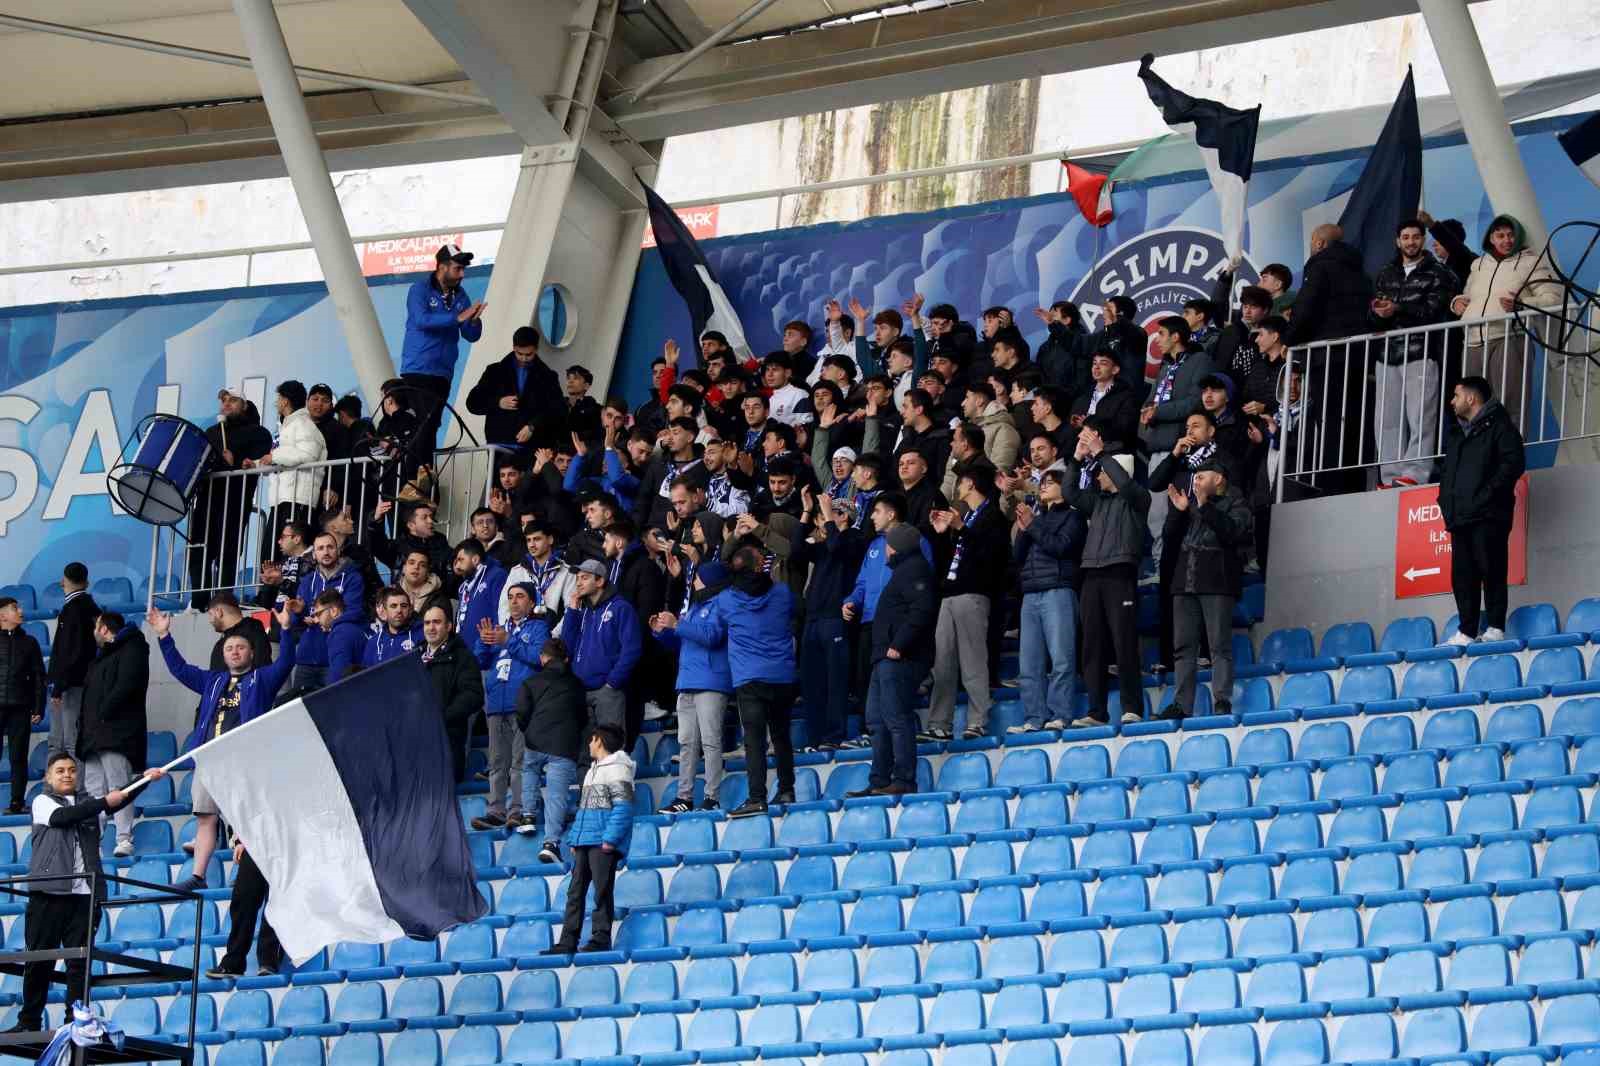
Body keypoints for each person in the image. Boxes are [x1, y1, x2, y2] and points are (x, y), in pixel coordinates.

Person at [7, 754, 161, 1034]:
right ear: (48, 778)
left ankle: (75, 1020)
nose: (67, 775)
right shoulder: (43, 802)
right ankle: (29, 1020)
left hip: (84, 897)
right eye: (60, 771)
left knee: (79, 964)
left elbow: (120, 798)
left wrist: (143, 781)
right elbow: (63, 817)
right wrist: (104, 802)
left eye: (72, 770)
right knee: (40, 960)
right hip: (49, 893)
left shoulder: (89, 805)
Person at [150, 603, 296, 892]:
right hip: (209, 758)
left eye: (241, 648)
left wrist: (288, 630)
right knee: (206, 818)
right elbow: (179, 670)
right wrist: (165, 637)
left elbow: (286, 661)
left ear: (251, 653)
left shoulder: (262, 679)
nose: (235, 652)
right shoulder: (213, 680)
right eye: (230, 648)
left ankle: (248, 876)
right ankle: (198, 875)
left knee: (246, 818)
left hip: (244, 759)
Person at [665, 546, 798, 818]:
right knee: (781, 736)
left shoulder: (727, 600)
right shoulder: (783, 593)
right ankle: (787, 789)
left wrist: (682, 579)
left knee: (754, 740)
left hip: (749, 676)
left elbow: (707, 604)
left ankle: (757, 798)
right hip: (782, 674)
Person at [1063, 430, 1150, 725]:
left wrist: (1101, 453)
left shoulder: (1138, 498)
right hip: (1091, 574)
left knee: (1123, 642)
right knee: (1092, 646)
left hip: (1120, 572)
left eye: (1103, 472)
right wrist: (1076, 459)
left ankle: (1132, 707)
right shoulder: (1096, 502)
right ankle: (1096, 711)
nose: (1098, 476)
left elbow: (1125, 484)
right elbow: (1069, 493)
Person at [1449, 215, 1562, 433]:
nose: (1506, 240)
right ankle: (1479, 460)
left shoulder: (1531, 261)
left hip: (1510, 338)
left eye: (1511, 235)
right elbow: (1468, 295)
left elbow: (1552, 299)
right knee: (1471, 407)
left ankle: (1511, 461)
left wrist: (1521, 304)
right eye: (1500, 235)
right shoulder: (1479, 264)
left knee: (1511, 403)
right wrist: (1457, 303)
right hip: (1473, 342)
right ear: (1491, 238)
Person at [847, 522, 937, 797]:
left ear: (895, 546)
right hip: (884, 658)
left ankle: (904, 779)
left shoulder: (914, 570)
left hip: (899, 658)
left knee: (896, 718)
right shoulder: (903, 570)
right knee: (876, 719)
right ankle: (879, 780)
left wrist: (898, 645)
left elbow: (922, 610)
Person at [1370, 219, 1460, 487]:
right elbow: (1372, 315)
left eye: (1416, 236)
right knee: (1387, 420)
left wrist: (1397, 309)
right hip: (1387, 353)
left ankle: (1416, 473)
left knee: (1421, 416)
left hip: (1423, 351)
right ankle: (1390, 475)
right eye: (1405, 237)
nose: (1410, 241)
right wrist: (1378, 313)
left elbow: (1433, 311)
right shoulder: (1385, 272)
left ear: (1423, 240)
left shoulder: (1439, 273)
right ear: (1398, 241)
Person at [1286, 223, 1374, 495]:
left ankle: (1328, 483)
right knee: (1354, 420)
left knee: (1329, 419)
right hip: (1358, 357)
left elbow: (1306, 307)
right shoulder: (1362, 273)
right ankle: (1352, 482)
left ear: (1320, 243)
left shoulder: (1319, 266)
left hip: (1326, 356)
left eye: (1313, 241)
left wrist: (1289, 338)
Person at [1439, 376, 1526, 646]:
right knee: (1462, 576)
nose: (1451, 402)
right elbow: (1449, 473)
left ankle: (1496, 628)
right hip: (1460, 514)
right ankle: (1466, 631)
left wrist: (1487, 495)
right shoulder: (1456, 433)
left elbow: (1513, 464)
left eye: (1455, 395)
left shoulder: (1501, 426)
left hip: (1489, 514)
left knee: (1492, 569)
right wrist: (1445, 500)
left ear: (1471, 398)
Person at [923, 467, 1008, 741]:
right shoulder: (968, 517)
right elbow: (956, 556)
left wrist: (961, 530)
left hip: (974, 595)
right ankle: (939, 724)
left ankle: (978, 720)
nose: (957, 488)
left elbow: (990, 557)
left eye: (960, 483)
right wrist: (941, 533)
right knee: (942, 663)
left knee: (972, 661)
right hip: (949, 593)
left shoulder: (992, 515)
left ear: (970, 484)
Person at [1164, 461, 1252, 719]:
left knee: (1218, 646)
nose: (1196, 482)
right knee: (1182, 649)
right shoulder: (1190, 504)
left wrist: (1204, 506)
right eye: (1195, 477)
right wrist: (1178, 513)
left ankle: (1222, 701)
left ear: (1219, 478)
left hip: (1217, 582)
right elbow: (1170, 537)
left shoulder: (1237, 502)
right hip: (1184, 583)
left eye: (1202, 477)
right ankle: (1181, 705)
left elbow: (1232, 532)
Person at [651, 561, 733, 813]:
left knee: (710, 741)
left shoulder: (722, 604)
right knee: (686, 743)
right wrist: (662, 632)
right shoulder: (695, 607)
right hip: (686, 681)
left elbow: (712, 636)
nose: (693, 582)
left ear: (709, 579)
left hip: (711, 681)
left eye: (697, 577)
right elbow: (682, 643)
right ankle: (684, 798)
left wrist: (678, 625)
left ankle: (712, 797)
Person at [545, 725, 635, 954]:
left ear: (600, 741)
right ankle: (567, 941)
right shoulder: (592, 770)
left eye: (591, 739)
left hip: (601, 842)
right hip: (585, 840)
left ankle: (601, 938)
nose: (589, 744)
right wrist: (575, 839)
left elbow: (623, 808)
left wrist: (610, 840)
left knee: (602, 891)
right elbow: (584, 810)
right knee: (574, 892)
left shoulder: (618, 769)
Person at [1011, 470, 1084, 732]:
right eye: (1041, 483)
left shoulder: (1073, 516)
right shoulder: (1036, 517)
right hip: (1030, 593)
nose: (1043, 487)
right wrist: (1024, 529)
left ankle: (1060, 714)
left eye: (1050, 483)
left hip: (1058, 590)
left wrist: (1032, 525)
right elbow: (1018, 558)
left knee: (1061, 659)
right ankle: (1033, 717)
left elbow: (1062, 547)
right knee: (1028, 663)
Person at [473, 583, 551, 830]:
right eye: (510, 597)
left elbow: (539, 658)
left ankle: (518, 808)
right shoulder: (498, 629)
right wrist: (484, 643)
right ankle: (496, 809)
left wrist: (509, 641)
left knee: (520, 761)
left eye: (520, 597)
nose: (514, 601)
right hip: (496, 703)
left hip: (523, 703)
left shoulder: (539, 628)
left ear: (531, 602)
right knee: (497, 762)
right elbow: (482, 661)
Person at [1141, 317, 1216, 569]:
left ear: (1176, 337)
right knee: (1156, 513)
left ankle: (1181, 566)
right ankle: (1161, 565)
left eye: (1161, 333)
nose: (1157, 339)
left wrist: (1158, 412)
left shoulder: (1199, 361)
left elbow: (1195, 402)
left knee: (1180, 512)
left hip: (1183, 451)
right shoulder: (1164, 366)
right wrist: (1147, 413)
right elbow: (1152, 401)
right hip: (1158, 448)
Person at [190, 388, 273, 607]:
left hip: (235, 502)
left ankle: (223, 602)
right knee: (199, 550)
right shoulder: (211, 432)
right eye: (224, 400)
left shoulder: (258, 433)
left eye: (233, 400)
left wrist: (233, 463)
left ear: (244, 405)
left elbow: (257, 464)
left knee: (228, 553)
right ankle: (200, 603)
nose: (226, 404)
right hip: (207, 501)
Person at [76, 612, 149, 858]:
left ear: (104, 628)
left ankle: (124, 838)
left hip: (117, 733)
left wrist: (105, 712)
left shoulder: (133, 648)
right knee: (94, 790)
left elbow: (127, 686)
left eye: (96, 627)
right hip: (92, 736)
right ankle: (93, 840)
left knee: (119, 785)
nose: (94, 633)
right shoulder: (100, 658)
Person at [401, 244, 485, 450]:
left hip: (443, 373)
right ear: (442, 267)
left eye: (464, 269)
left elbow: (471, 335)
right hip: (418, 369)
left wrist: (473, 320)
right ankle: (413, 476)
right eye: (458, 268)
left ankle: (425, 473)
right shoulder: (419, 289)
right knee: (421, 424)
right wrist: (457, 317)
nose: (462, 274)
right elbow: (422, 320)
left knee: (432, 425)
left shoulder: (461, 295)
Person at [515, 638, 587, 862]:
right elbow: (582, 718)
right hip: (563, 746)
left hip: (535, 740)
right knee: (557, 795)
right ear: (566, 659)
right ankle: (550, 843)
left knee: (529, 770)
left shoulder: (531, 681)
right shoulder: (576, 684)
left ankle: (527, 816)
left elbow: (521, 713)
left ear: (542, 658)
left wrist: (530, 731)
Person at [562, 560, 641, 745]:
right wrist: (572, 611)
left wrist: (612, 682)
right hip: (582, 691)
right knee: (584, 753)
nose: (578, 583)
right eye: (577, 578)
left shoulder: (621, 608)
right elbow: (566, 646)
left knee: (610, 749)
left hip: (607, 691)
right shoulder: (582, 612)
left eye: (584, 578)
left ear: (600, 581)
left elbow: (632, 649)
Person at [248, 380, 328, 558]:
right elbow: (280, 457)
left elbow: (308, 454)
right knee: (271, 556)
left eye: (278, 398)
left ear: (285, 400)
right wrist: (254, 464)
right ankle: (271, 586)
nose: (276, 402)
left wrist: (273, 457)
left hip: (297, 499)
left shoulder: (304, 424)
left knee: (289, 556)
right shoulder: (288, 427)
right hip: (283, 499)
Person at [465, 326, 564, 452]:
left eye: (528, 354)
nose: (523, 358)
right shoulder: (494, 372)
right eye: (519, 353)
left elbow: (558, 409)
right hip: (499, 445)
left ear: (536, 349)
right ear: (513, 347)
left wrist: (533, 426)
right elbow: (472, 403)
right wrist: (498, 402)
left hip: (533, 449)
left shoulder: (548, 376)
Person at [421, 605, 484, 783]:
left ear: (449, 626)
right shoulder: (413, 658)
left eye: (437, 622)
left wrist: (442, 717)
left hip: (447, 742)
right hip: (417, 745)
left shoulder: (463, 658)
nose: (431, 627)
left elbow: (473, 696)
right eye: (427, 623)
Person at [46, 563, 98, 760]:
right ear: (85, 582)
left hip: (71, 683)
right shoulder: (88, 606)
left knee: (67, 741)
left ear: (64, 580)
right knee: (63, 740)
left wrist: (59, 685)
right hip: (76, 681)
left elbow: (70, 651)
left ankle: (70, 789)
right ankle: (61, 788)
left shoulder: (74, 609)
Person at [0, 598, 46, 814]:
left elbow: (39, 677)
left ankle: (17, 802)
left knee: (18, 756)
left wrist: (38, 707)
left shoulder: (30, 642)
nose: (21, 610)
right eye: (15, 608)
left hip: (20, 706)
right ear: (2, 615)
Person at [306, 589, 366, 686]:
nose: (316, 620)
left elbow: (338, 675)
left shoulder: (339, 633)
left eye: (318, 614)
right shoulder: (354, 627)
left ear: (334, 611)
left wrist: (329, 697)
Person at [204, 593, 273, 672]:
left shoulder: (252, 630)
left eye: (210, 614)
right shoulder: (255, 629)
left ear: (219, 612)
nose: (209, 621)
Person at [362, 587, 423, 668]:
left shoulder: (422, 634)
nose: (399, 610)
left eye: (404, 606)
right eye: (393, 606)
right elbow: (366, 677)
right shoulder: (373, 643)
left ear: (410, 610)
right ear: (385, 610)